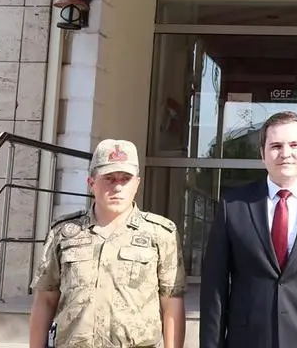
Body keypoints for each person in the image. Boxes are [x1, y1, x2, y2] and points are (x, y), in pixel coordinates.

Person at [200, 111, 297, 348]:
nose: (285, 153)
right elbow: (215, 286)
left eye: (294, 144)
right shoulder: (233, 205)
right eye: (276, 146)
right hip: (249, 340)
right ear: (262, 153)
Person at [29, 139, 185, 348]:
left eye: (125, 179)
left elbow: (171, 302)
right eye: (109, 179)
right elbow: (45, 300)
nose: (118, 187)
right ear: (91, 183)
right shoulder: (64, 233)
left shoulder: (160, 233)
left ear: (137, 183)